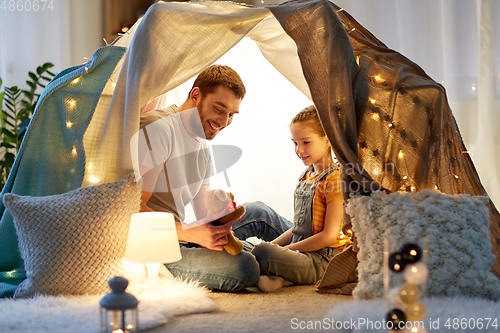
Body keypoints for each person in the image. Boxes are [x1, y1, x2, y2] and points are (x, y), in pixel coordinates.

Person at [136, 65, 291, 291]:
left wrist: (219, 214)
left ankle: (320, 250)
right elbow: (135, 209)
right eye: (219, 109)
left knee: (259, 212)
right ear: (196, 95)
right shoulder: (157, 128)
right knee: (245, 267)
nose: (225, 122)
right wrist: (192, 232)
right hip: (155, 244)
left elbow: (202, 212)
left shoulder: (201, 145)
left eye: (231, 114)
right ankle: (273, 258)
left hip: (184, 235)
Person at [245, 106, 351, 292]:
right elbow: (298, 227)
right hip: (302, 247)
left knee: (262, 253)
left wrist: (284, 250)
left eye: (306, 142)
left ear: (327, 140)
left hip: (322, 259)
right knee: (252, 248)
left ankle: (278, 273)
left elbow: (329, 236)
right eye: (295, 143)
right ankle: (280, 275)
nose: (299, 149)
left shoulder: (335, 179)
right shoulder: (307, 175)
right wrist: (272, 245)